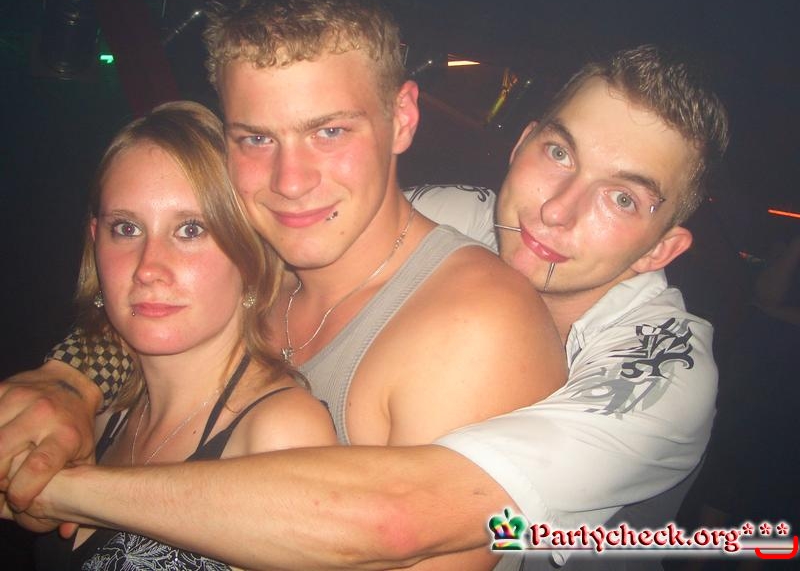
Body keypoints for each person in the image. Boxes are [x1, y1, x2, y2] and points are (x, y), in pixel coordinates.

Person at [2, 40, 727, 568]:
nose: (557, 210)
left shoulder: (663, 372)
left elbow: (401, 519)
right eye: (560, 153)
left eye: (623, 198)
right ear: (523, 144)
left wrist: (65, 491)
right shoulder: (457, 215)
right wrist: (73, 379)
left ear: (662, 248)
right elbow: (205, 268)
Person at [33, 100, 339, 569]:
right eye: (126, 228)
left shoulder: (278, 433)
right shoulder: (101, 415)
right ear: (95, 241)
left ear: (249, 254)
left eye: (191, 229)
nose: (148, 268)